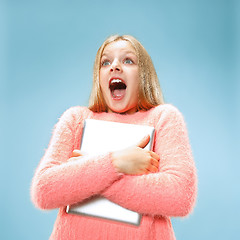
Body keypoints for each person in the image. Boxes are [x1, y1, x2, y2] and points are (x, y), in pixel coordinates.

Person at [31, 35, 197, 240]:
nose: (114, 66)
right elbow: (44, 191)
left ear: (144, 74)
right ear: (98, 76)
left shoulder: (163, 118)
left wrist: (86, 174)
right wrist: (117, 162)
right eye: (105, 62)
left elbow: (179, 197)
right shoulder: (76, 119)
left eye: (128, 60)